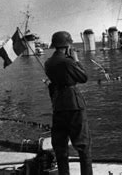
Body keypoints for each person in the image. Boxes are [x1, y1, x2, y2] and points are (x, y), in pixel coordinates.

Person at [45, 31, 93, 175]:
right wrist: (76, 60)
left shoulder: (48, 63)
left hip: (58, 105)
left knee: (60, 147)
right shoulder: (68, 62)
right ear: (67, 46)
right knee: (83, 145)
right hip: (74, 105)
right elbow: (84, 77)